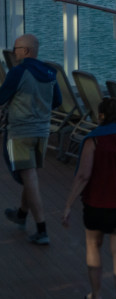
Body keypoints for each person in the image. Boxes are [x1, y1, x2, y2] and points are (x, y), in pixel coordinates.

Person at [63, 97, 116, 299]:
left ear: (101, 116)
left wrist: (68, 205)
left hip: (98, 203)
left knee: (94, 246)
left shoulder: (94, 140)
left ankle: (96, 294)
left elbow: (83, 176)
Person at [0, 33, 61, 245]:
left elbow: (2, 97)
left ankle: (42, 229)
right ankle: (21, 214)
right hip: (42, 133)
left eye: (16, 48)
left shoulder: (18, 72)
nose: (14, 52)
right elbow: (57, 101)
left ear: (26, 51)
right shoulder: (50, 72)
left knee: (30, 178)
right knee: (31, 175)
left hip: (20, 133)